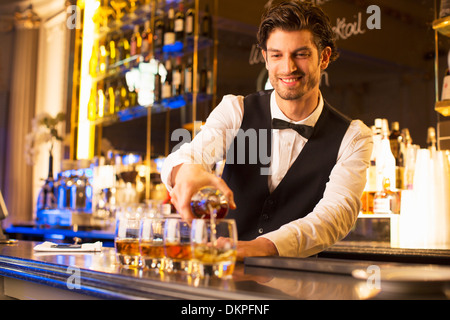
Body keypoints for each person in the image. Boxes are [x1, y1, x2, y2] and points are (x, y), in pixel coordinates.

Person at [161, 1, 373, 260]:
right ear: (265, 58)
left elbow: (335, 215)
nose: (288, 68)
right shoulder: (235, 111)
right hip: (224, 275)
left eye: (301, 54)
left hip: (298, 285)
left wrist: (264, 247)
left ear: (324, 57)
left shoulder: (353, 137)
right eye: (276, 55)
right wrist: (188, 171)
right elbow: (189, 154)